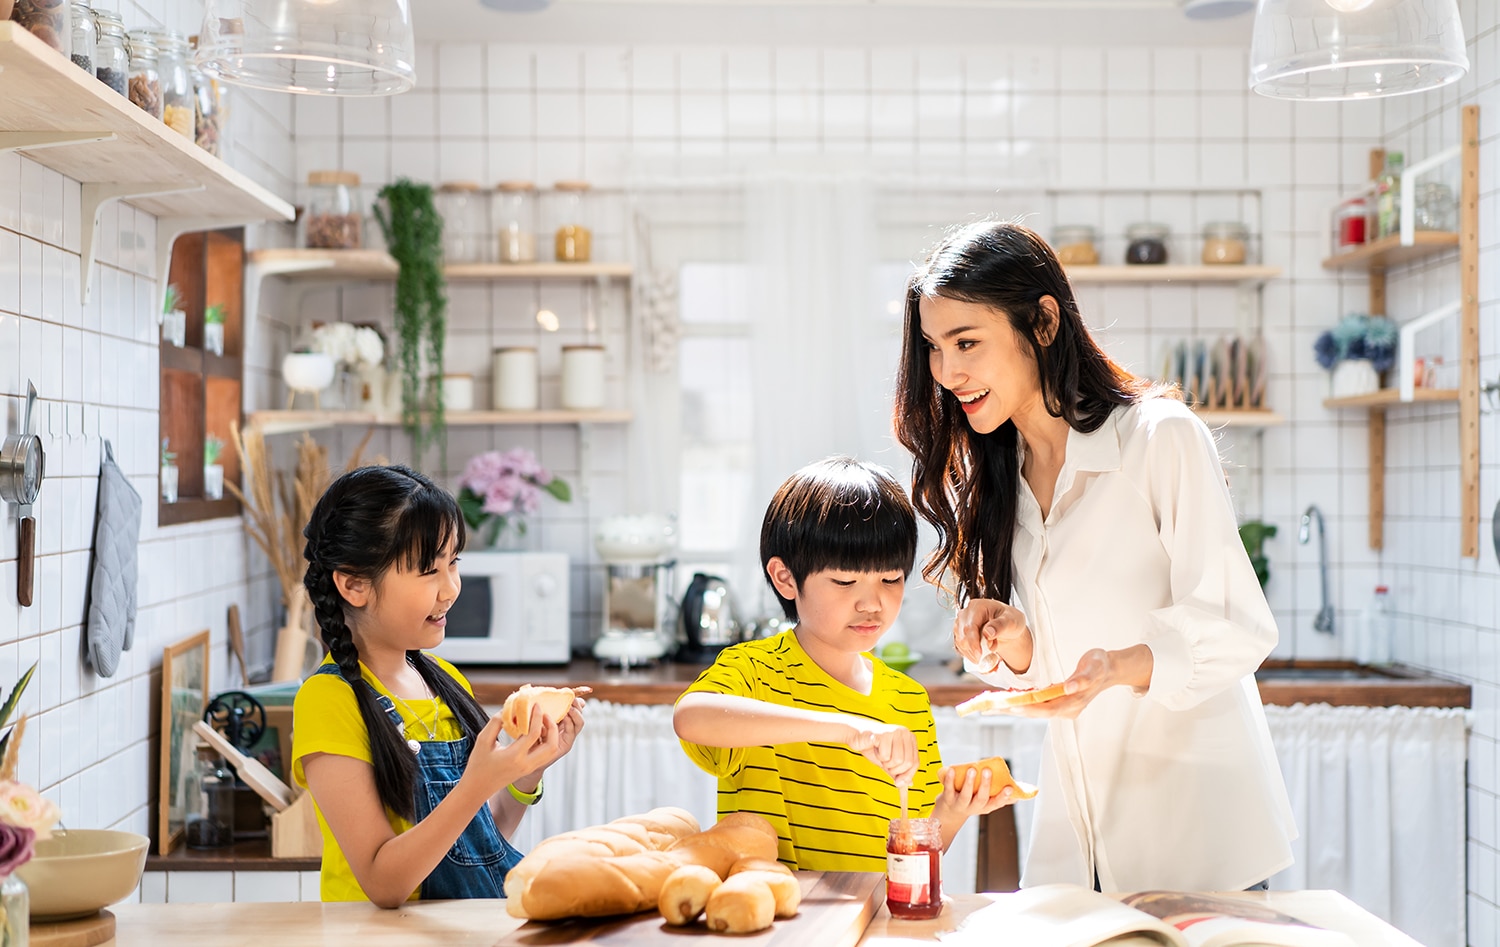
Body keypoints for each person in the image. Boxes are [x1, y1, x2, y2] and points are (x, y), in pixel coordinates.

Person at [892, 220, 1296, 893]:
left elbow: (1235, 623)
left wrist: (1122, 665)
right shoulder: (1000, 478)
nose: (947, 371)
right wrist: (1018, 644)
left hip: (1198, 829)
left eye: (967, 342)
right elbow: (1058, 677)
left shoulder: (1159, 438)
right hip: (1081, 838)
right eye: (935, 347)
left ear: (1043, 322)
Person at [673, 456, 1015, 873]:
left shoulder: (909, 700)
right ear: (785, 579)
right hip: (776, 921)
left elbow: (913, 848)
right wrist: (849, 728)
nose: (872, 603)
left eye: (890, 579)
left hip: (870, 924)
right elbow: (692, 717)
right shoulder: (755, 671)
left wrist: (954, 809)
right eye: (845, 581)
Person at [292, 464, 584, 906]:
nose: (450, 589)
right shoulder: (328, 700)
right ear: (354, 584)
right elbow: (382, 881)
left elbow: (473, 845)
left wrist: (526, 773)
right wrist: (477, 783)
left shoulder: (445, 680)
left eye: (454, 563)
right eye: (429, 570)